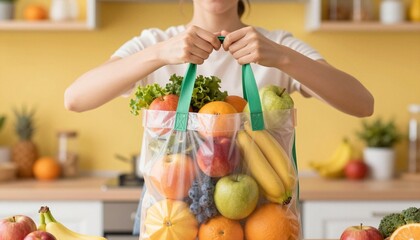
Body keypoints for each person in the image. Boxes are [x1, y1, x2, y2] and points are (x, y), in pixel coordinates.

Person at [64, 0, 374, 235]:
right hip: (171, 223)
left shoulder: (275, 45)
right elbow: (75, 98)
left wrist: (281, 56)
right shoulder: (155, 43)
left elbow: (362, 103)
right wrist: (159, 54)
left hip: (260, 226)